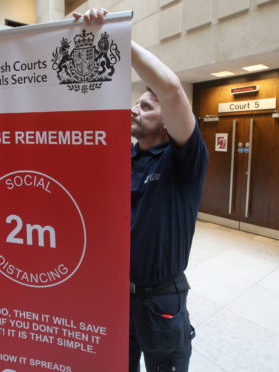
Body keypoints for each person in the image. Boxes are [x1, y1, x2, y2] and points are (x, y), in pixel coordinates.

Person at [74, 8, 209, 372]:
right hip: (118, 297)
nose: (134, 109)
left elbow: (172, 89)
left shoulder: (184, 161)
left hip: (161, 301)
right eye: (136, 102)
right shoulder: (123, 159)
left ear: (166, 120)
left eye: (146, 106)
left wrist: (114, 37)